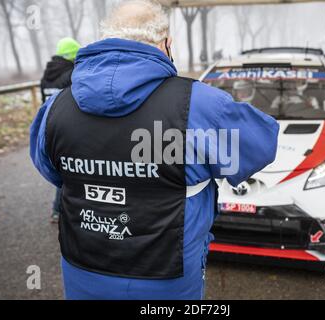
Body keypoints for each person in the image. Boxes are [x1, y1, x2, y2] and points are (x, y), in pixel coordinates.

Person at [30, 0, 279, 300]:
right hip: (167, 280)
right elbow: (260, 145)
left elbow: (50, 170)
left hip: (83, 272)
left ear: (107, 39)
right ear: (166, 44)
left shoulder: (56, 107)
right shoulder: (199, 105)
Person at [40, 37, 80, 222]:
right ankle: (62, 210)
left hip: (49, 126)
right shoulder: (71, 74)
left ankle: (57, 210)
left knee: (61, 168)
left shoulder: (46, 76)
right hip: (69, 126)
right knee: (71, 168)